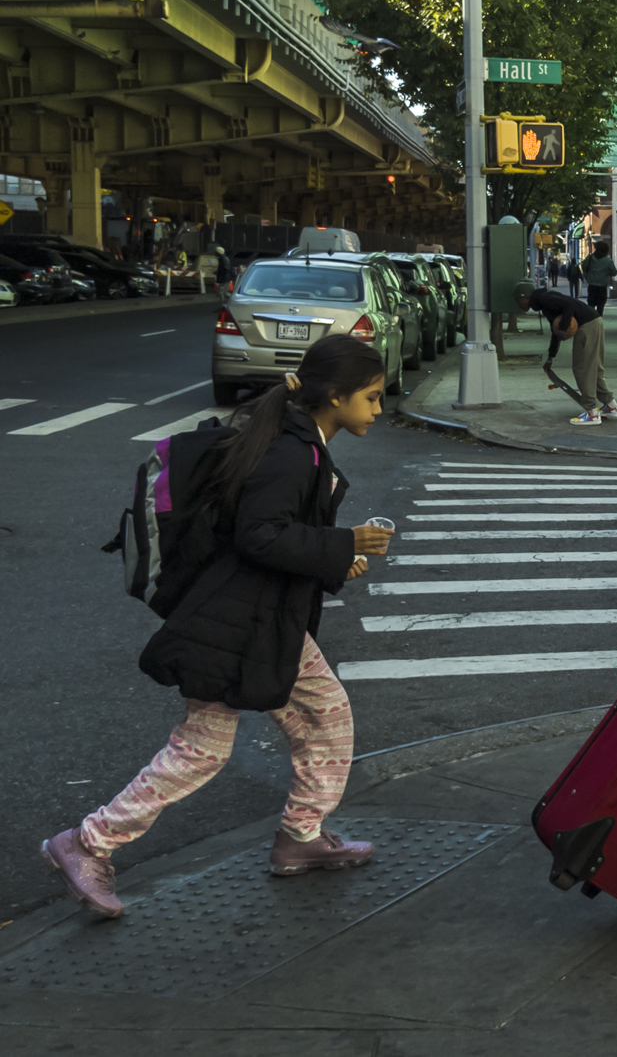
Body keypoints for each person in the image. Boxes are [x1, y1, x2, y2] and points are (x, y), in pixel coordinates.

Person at [40, 335, 394, 919]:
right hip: (236, 624)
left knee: (324, 719)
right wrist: (343, 542)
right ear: (335, 396)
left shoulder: (299, 445)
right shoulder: (292, 453)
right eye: (372, 398)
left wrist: (337, 557)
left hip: (259, 620)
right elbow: (260, 536)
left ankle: (301, 837)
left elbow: (269, 538)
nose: (378, 410)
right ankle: (85, 843)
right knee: (204, 748)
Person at [518, 280, 617, 426]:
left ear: (524, 298)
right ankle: (610, 405)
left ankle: (592, 413)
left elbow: (569, 307)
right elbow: (555, 331)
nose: (518, 304)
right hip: (594, 321)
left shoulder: (544, 299)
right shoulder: (545, 300)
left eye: (518, 301)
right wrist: (551, 357)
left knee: (582, 368)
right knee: (593, 368)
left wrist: (564, 328)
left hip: (587, 326)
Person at [581, 238, 617, 315]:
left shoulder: (590, 258)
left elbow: (584, 267)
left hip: (592, 285)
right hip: (602, 286)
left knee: (591, 306)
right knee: (600, 307)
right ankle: (599, 322)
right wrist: (606, 272)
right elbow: (614, 272)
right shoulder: (608, 260)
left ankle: (591, 321)